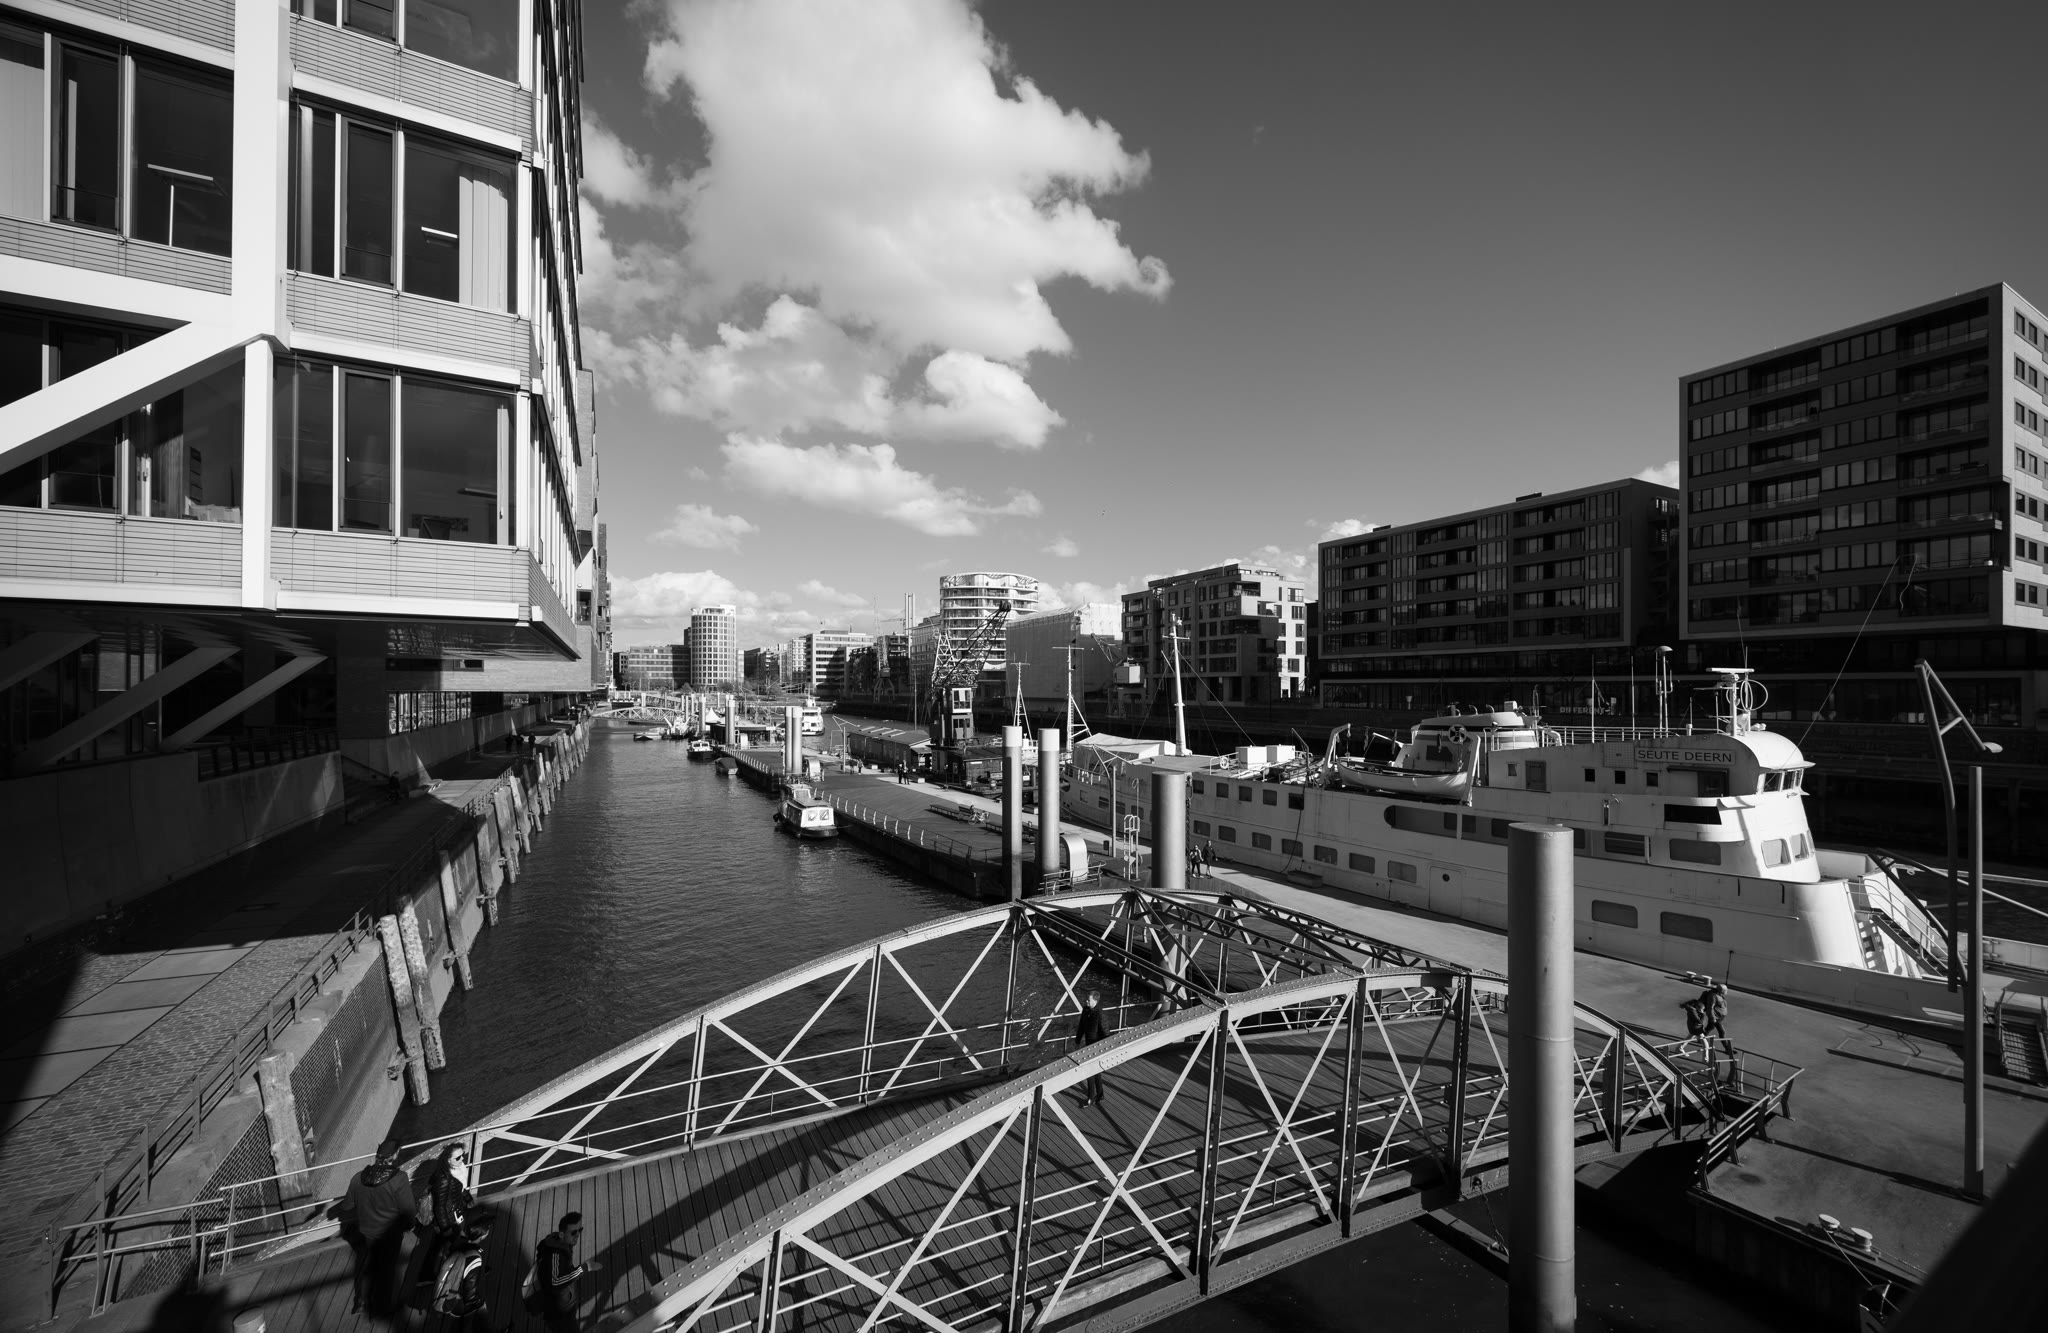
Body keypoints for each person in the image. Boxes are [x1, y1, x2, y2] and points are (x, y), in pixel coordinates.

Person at [338, 1138, 415, 1315]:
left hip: (367, 1231)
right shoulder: (399, 1179)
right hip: (391, 1234)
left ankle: (361, 1301)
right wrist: (410, 1225)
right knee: (387, 1270)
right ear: (395, 1154)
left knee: (368, 1264)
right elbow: (408, 1211)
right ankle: (384, 1307)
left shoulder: (357, 1178)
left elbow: (347, 1206)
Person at [415, 1141, 474, 1292]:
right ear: (448, 1160)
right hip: (448, 1219)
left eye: (462, 1155)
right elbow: (439, 1206)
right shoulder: (444, 1179)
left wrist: (467, 1197)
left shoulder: (456, 1169)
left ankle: (425, 1276)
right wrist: (446, 1227)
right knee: (458, 1243)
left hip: (451, 1215)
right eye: (458, 1157)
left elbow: (459, 1189)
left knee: (438, 1246)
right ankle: (469, 1271)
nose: (462, 1159)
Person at [434, 1215, 496, 1332]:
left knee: (459, 1326)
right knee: (476, 1325)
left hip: (453, 1295)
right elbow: (470, 1293)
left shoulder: (458, 1243)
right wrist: (480, 1304)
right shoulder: (474, 1257)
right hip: (464, 1303)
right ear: (483, 1235)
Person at [533, 1211, 592, 1329]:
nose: (577, 1235)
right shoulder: (555, 1255)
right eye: (573, 1232)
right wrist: (584, 1268)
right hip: (559, 1312)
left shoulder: (563, 1244)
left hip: (565, 1303)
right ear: (561, 1234)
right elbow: (556, 1281)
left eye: (580, 1230)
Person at [1071, 990, 1110, 1107]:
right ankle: (1100, 1094)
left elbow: (1105, 1033)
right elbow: (1082, 1026)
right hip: (1089, 1045)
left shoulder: (1100, 1014)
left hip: (1096, 1046)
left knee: (1090, 1071)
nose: (1086, 1001)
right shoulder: (1086, 1010)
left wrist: (1102, 1048)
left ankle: (1091, 1097)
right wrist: (1078, 1040)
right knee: (1095, 1071)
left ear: (1095, 1001)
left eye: (1089, 1000)